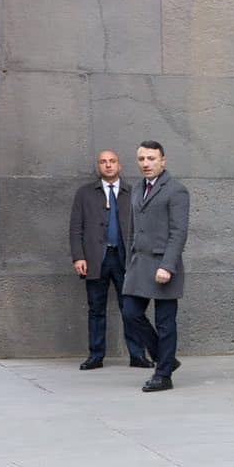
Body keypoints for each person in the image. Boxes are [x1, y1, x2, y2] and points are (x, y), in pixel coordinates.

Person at [69, 150, 150, 371]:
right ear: (98, 166)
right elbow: (76, 228)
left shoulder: (132, 193)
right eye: (103, 162)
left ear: (120, 165)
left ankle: (137, 355)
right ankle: (95, 356)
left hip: (125, 260)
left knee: (131, 309)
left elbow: (142, 229)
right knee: (96, 309)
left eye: (112, 161)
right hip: (96, 259)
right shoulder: (85, 194)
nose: (108, 165)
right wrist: (78, 257)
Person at [121, 141, 188, 392]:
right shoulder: (137, 189)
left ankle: (163, 376)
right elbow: (132, 230)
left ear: (163, 161)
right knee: (130, 313)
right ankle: (166, 357)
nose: (146, 163)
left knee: (165, 321)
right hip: (139, 264)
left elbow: (179, 232)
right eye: (141, 159)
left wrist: (168, 266)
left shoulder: (176, 191)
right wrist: (129, 263)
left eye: (151, 158)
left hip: (163, 265)